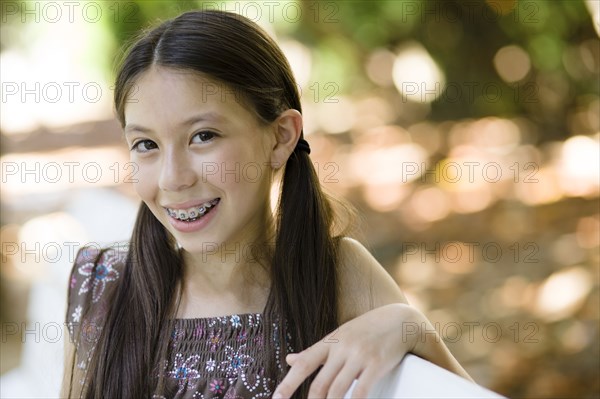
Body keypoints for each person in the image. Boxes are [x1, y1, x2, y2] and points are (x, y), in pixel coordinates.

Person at [61, 9, 472, 399]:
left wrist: (410, 325)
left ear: (280, 137)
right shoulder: (102, 287)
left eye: (203, 136)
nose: (173, 178)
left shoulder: (335, 276)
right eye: (146, 145)